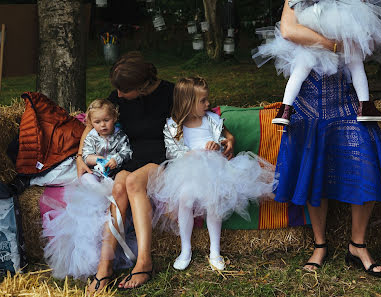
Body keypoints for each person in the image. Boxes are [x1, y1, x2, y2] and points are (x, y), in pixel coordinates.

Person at [75, 52, 235, 292]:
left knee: (133, 184)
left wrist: (228, 136)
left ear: (141, 87)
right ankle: (104, 266)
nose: (118, 95)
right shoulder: (119, 96)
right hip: (129, 155)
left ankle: (144, 262)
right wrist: (80, 156)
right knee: (118, 187)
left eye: (123, 91)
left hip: (163, 156)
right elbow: (91, 124)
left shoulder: (170, 94)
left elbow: (203, 115)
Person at [270, 1, 381, 276]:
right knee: (313, 171)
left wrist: (344, 42)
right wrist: (333, 44)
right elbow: (287, 30)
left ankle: (358, 244)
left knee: (366, 164)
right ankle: (320, 245)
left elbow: (365, 34)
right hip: (307, 100)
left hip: (346, 98)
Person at [147, 77, 276, 271]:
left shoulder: (212, 120)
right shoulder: (172, 127)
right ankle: (185, 249)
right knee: (184, 199)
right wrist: (193, 153)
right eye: (203, 101)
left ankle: (215, 250)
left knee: (213, 199)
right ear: (187, 103)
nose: (208, 104)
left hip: (216, 169)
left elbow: (225, 139)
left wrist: (220, 144)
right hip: (187, 171)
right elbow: (171, 152)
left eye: (207, 99)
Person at [253, 0, 381, 126]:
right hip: (337, 15)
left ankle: (284, 110)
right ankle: (365, 106)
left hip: (311, 16)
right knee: (354, 60)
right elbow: (288, 30)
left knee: (301, 65)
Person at [42, 98, 132, 279]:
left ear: (114, 118)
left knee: (115, 185)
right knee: (87, 180)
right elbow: (86, 155)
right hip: (96, 172)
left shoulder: (120, 135)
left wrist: (117, 159)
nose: (102, 125)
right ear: (91, 123)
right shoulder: (92, 136)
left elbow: (127, 151)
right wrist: (97, 159)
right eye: (97, 122)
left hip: (112, 173)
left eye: (106, 120)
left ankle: (107, 192)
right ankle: (99, 192)